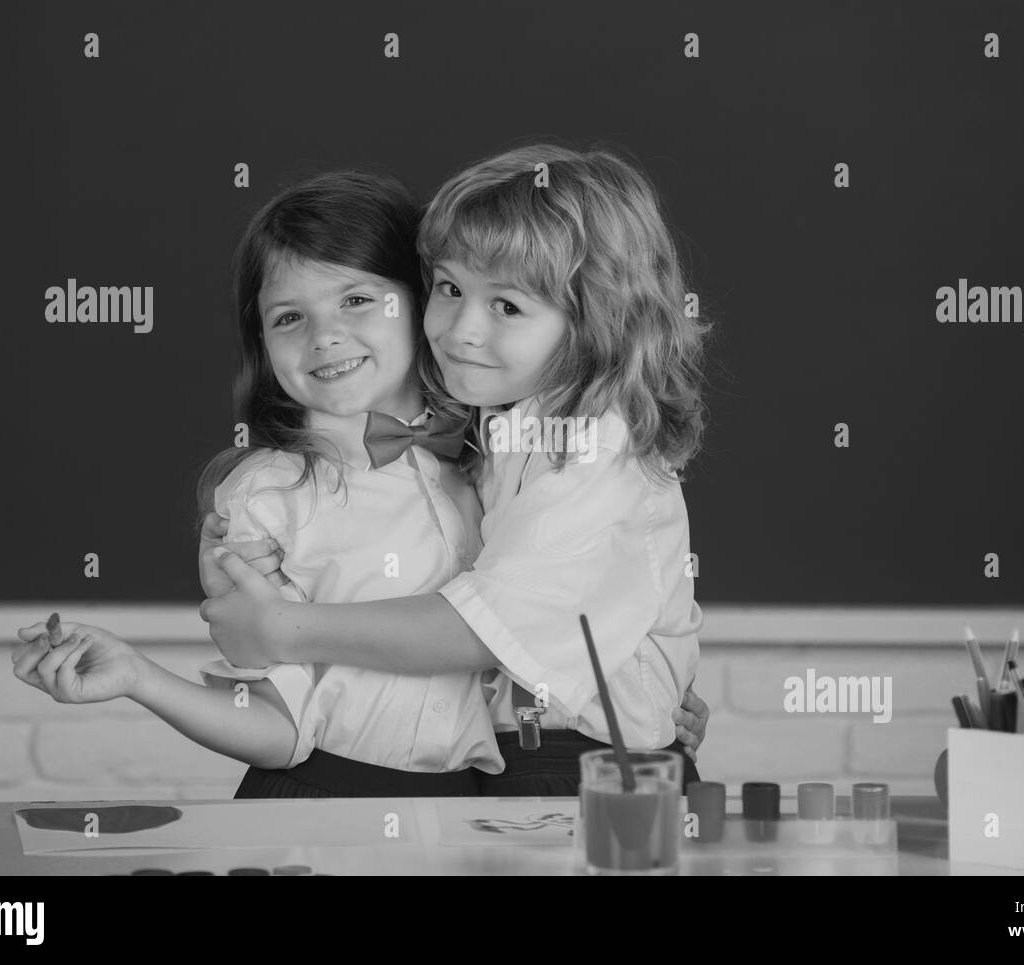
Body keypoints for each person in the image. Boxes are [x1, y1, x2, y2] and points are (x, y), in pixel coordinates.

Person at [200, 144, 712, 795]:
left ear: (594, 322)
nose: (461, 328)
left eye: (507, 306)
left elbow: (478, 630)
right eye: (449, 288)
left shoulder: (596, 442)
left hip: (582, 760)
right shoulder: (490, 430)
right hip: (503, 756)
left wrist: (279, 627)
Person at [13, 171, 502, 796]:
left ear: (426, 301)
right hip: (328, 799)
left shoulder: (499, 460)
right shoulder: (266, 498)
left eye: (356, 299)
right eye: (289, 317)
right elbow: (276, 726)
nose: (323, 336)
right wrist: (139, 675)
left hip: (469, 806)